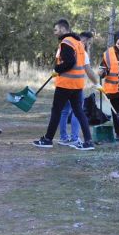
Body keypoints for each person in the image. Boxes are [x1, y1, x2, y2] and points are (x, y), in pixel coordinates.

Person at [33, 19, 103, 151]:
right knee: (78, 112)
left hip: (65, 84)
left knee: (56, 111)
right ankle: (88, 141)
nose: (55, 33)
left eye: (56, 30)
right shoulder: (78, 43)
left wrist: (57, 69)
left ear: (63, 29)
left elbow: (70, 62)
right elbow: (80, 64)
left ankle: (48, 139)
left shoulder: (66, 42)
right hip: (77, 84)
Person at [57, 31, 101, 147]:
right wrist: (97, 83)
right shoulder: (82, 52)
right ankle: (74, 138)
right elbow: (89, 71)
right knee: (78, 111)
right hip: (75, 86)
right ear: (84, 40)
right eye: (89, 43)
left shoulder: (64, 46)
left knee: (64, 111)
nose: (89, 46)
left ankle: (63, 138)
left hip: (63, 85)